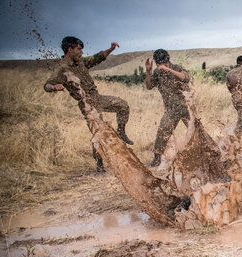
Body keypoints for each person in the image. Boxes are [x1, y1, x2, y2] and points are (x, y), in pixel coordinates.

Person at [44, 36, 132, 173]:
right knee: (98, 132)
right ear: (69, 49)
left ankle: (121, 131)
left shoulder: (80, 62)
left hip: (98, 97)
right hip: (87, 104)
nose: (81, 52)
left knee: (123, 105)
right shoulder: (62, 68)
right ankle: (100, 164)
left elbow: (97, 58)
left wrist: (111, 49)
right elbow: (47, 84)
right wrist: (54, 87)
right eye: (79, 49)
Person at [145, 49, 191, 167]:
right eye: (158, 64)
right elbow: (149, 86)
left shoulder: (177, 67)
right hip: (171, 109)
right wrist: (148, 72)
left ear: (168, 60)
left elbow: (185, 78)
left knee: (197, 132)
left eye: (163, 63)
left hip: (186, 106)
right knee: (162, 132)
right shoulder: (157, 72)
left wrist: (168, 70)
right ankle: (157, 159)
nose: (160, 66)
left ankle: (210, 153)